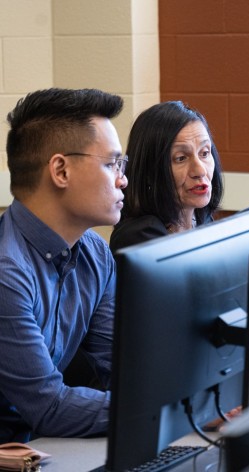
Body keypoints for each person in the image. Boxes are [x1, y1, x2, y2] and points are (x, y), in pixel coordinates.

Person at [0, 88, 127, 443]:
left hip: (44, 447)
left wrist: (195, 398)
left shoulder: (95, 253)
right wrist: (172, 408)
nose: (123, 179)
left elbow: (120, 364)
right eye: (111, 164)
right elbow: (49, 407)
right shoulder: (7, 272)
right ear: (60, 170)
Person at [110, 101, 249, 273]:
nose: (200, 170)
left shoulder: (200, 220)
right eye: (181, 158)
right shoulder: (138, 236)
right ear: (150, 169)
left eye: (205, 153)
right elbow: (197, 298)